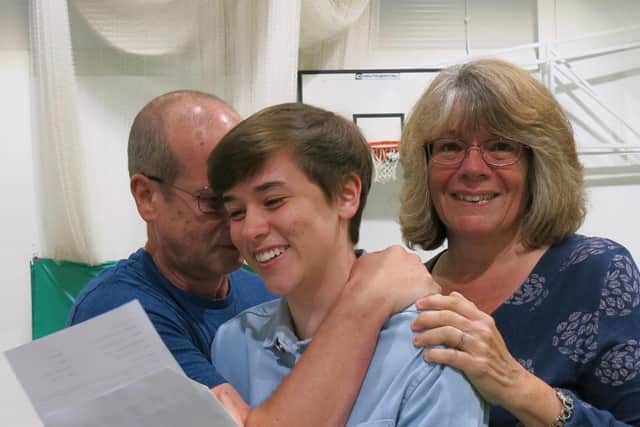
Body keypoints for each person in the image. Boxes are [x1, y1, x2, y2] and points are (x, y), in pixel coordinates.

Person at [68, 90, 437, 426]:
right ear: (147, 196)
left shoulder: (261, 296)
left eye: (272, 200)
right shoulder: (108, 317)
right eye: (220, 204)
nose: (244, 228)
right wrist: (367, 298)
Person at [208, 102, 488, 426]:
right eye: (236, 212)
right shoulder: (235, 342)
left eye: (274, 201)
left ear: (346, 195)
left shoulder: (431, 351)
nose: (251, 229)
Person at [401, 58, 640, 426]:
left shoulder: (598, 274)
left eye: (500, 146)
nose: (473, 168)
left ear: (537, 163)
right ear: (425, 166)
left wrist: (514, 385)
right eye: (450, 147)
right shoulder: (406, 295)